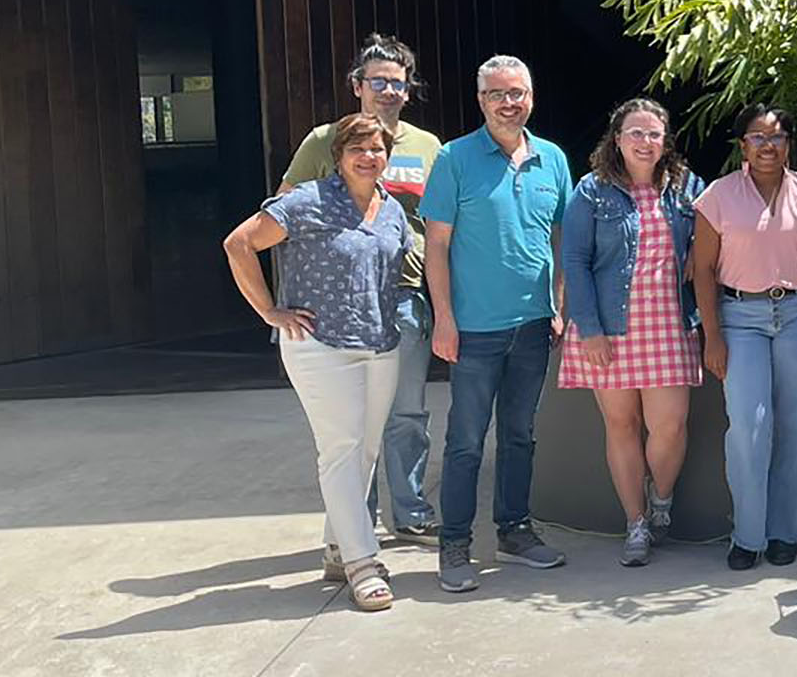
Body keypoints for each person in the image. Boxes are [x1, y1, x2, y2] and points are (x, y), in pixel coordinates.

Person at [225, 114, 409, 612]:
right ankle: (363, 563)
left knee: (366, 450)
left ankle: (337, 545)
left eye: (377, 149)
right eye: (359, 148)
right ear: (339, 155)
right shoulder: (306, 201)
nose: (369, 157)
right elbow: (239, 244)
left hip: (379, 341)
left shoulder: (392, 211)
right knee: (341, 449)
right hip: (320, 343)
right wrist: (268, 309)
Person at [275, 34, 445, 542]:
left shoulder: (426, 146)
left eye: (398, 83)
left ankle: (411, 511)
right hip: (341, 304)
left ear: (408, 91)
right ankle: (357, 519)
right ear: (357, 86)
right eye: (379, 82)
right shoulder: (324, 140)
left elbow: (440, 222)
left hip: (405, 294)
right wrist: (282, 302)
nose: (389, 91)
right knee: (350, 422)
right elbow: (284, 208)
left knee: (408, 411)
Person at [424, 55, 573, 592]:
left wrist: (558, 302)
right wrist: (444, 319)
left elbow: (561, 238)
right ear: (480, 101)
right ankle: (455, 545)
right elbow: (436, 245)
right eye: (496, 94)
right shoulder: (454, 158)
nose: (509, 103)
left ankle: (514, 531)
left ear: (531, 96)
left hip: (533, 326)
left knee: (520, 435)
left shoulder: (552, 158)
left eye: (517, 92)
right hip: (473, 330)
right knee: (465, 441)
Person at [558, 98, 707, 567]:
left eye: (654, 134)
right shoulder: (591, 191)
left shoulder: (686, 189)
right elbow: (575, 262)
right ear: (617, 139)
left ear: (666, 142)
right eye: (635, 133)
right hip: (610, 327)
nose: (645, 142)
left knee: (670, 425)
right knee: (621, 425)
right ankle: (636, 523)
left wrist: (698, 251)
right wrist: (590, 329)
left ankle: (660, 501)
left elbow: (716, 237)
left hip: (668, 323)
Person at [693, 104, 797, 570]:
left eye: (776, 137)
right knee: (750, 428)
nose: (767, 146)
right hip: (740, 315)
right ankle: (748, 534)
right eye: (757, 137)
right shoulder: (718, 197)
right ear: (743, 146)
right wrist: (711, 335)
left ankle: (788, 532)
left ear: (789, 144)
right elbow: (704, 271)